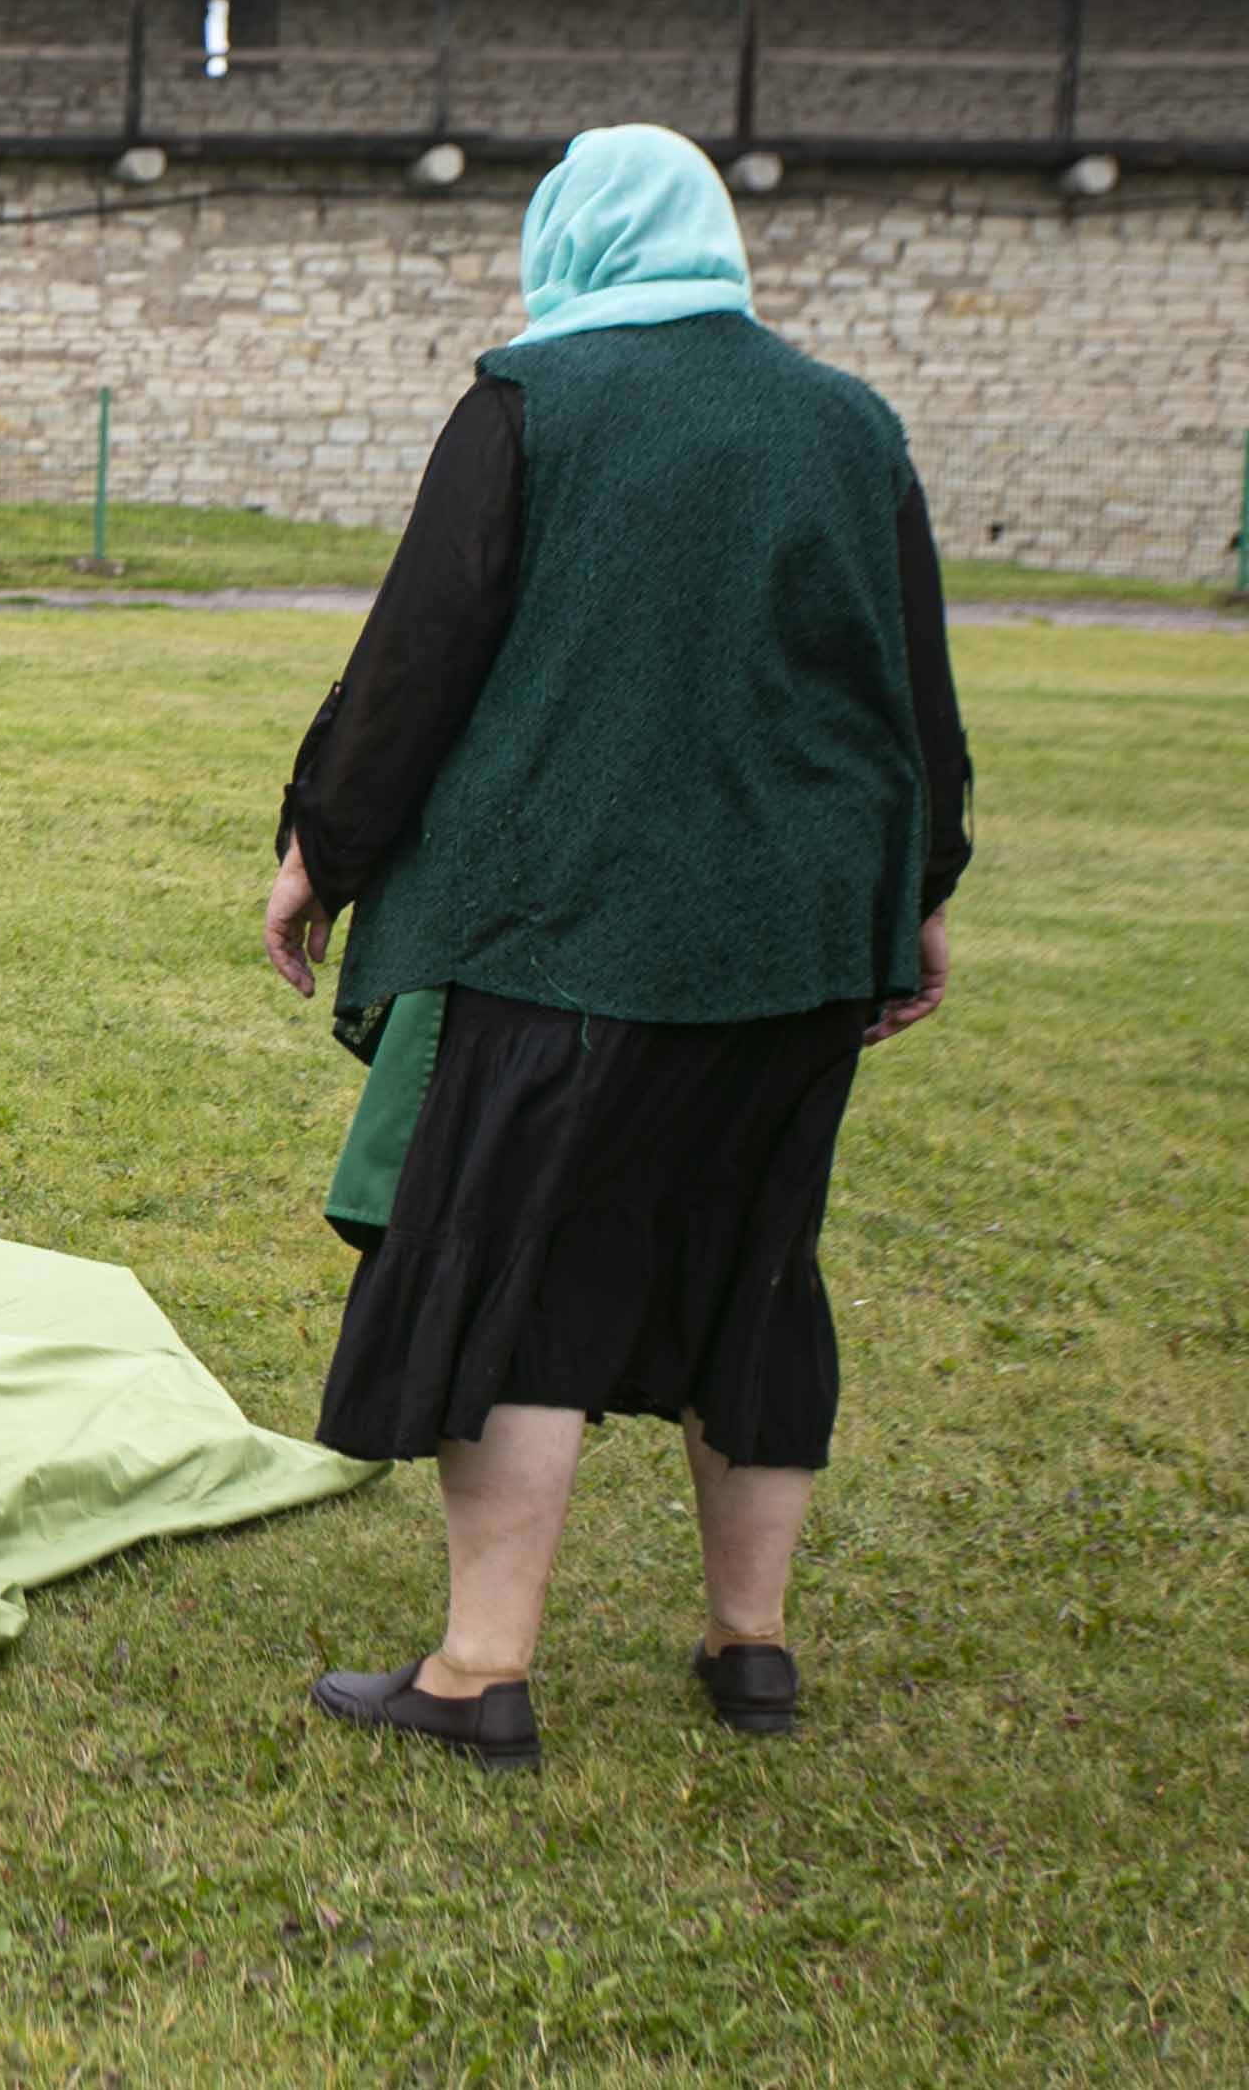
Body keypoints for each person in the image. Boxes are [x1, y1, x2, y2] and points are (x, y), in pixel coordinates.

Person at [264, 122, 974, 1770]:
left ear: (568, 238)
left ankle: (477, 1672)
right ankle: (751, 1648)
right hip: (798, 942)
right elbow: (907, 687)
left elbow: (418, 658)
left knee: (517, 1277)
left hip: (566, 939)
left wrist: (321, 845)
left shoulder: (533, 399)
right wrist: (916, 885)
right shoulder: (848, 423)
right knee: (752, 1266)